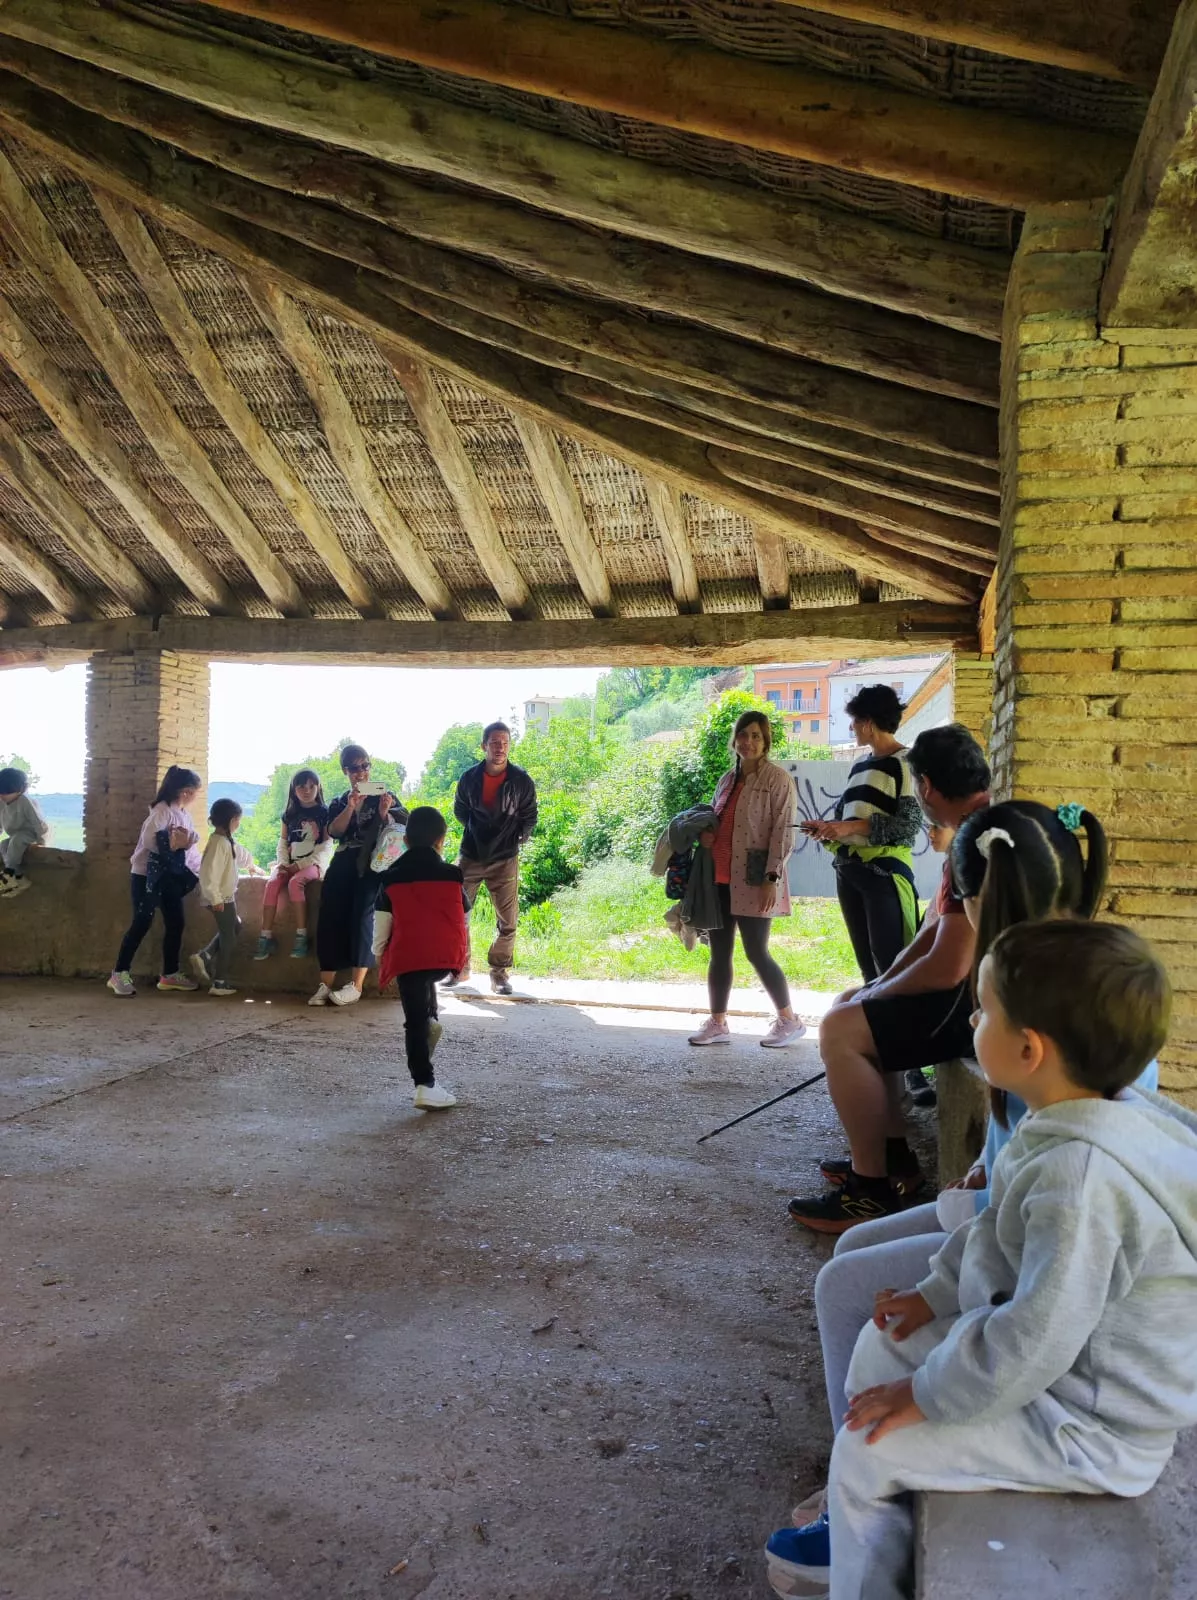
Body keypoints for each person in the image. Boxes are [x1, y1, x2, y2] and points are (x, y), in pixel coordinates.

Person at [766, 919, 1196, 1600]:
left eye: (983, 1008)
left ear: (1027, 1049)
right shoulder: (1069, 1115)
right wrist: (933, 1295)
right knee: (885, 1340)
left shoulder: (1081, 1178)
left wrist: (926, 1395)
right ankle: (872, 1530)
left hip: (1092, 1428)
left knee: (869, 1445)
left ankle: (861, 1577)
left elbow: (1036, 1335)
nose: (970, 1018)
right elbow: (993, 1227)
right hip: (1062, 1379)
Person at [799, 800, 1156, 1516]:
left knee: (846, 1289)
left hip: (1023, 1238)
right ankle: (860, 1454)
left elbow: (1040, 1300)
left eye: (979, 1015)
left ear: (974, 896)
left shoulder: (1036, 1018)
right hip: (1004, 1208)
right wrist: (985, 1170)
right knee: (861, 1263)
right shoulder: (1070, 982)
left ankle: (867, 1474)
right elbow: (1020, 1153)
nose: (971, 1022)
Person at [787, 724, 989, 1231]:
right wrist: (879, 986)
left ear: (926, 787)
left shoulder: (976, 840)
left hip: (979, 1003)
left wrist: (882, 993)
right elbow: (932, 931)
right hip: (971, 993)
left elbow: (949, 966)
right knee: (852, 1001)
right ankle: (894, 1158)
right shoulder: (978, 826)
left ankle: (868, 1189)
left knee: (841, 1028)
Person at [687, 709, 806, 1049]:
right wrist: (706, 837)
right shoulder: (727, 779)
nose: (748, 741)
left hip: (756, 878)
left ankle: (789, 1020)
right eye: (743, 735)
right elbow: (715, 820)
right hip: (720, 878)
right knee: (719, 953)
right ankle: (718, 1023)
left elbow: (784, 831)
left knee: (756, 952)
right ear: (735, 740)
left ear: (766, 741)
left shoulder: (777, 779)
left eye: (756, 735)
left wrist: (772, 876)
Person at [802, 685, 921, 991]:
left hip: (883, 875)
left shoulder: (905, 763)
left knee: (890, 964)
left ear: (868, 722)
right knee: (868, 967)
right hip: (850, 872)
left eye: (854, 720)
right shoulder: (859, 765)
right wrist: (827, 827)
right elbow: (844, 820)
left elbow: (907, 827)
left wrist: (851, 828)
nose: (851, 727)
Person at [376, 806, 469, 1110]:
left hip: (408, 958)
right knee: (427, 976)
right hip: (445, 958)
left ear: (405, 841)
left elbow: (380, 929)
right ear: (441, 841)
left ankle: (424, 1084)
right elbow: (463, 915)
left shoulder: (391, 878)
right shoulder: (453, 875)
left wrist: (382, 955)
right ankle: (433, 1019)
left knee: (413, 1021)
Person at [310, 745, 406, 1009]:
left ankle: (356, 984)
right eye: (355, 767)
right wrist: (351, 807)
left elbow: (400, 829)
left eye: (365, 766)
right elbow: (334, 831)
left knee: (362, 915)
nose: (361, 772)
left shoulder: (385, 795)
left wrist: (384, 812)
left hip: (373, 862)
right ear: (346, 771)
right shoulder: (341, 800)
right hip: (344, 859)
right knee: (329, 917)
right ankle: (325, 983)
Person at [451, 722, 537, 996]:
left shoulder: (521, 780)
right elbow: (461, 812)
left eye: (505, 743)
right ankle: (459, 968)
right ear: (484, 746)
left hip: (505, 858)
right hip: (471, 855)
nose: (500, 748)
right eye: (495, 742)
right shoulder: (469, 778)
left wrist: (514, 839)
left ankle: (499, 974)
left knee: (508, 921)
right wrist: (480, 832)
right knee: (457, 914)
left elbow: (529, 816)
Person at [107, 765, 204, 998]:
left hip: (168, 876)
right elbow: (150, 842)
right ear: (186, 792)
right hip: (146, 876)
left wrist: (199, 864)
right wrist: (175, 843)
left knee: (176, 922)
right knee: (142, 921)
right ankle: (119, 973)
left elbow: (189, 849)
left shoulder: (182, 814)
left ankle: (170, 973)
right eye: (194, 792)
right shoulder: (161, 812)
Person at [192, 798, 264, 996]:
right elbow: (208, 875)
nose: (239, 824)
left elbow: (238, 855)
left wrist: (252, 866)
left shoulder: (224, 842)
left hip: (224, 897)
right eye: (238, 820)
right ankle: (219, 982)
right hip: (220, 899)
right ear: (231, 820)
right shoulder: (219, 844)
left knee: (235, 925)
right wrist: (215, 899)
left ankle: (205, 955)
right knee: (228, 937)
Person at [256, 768, 330, 960]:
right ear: (293, 789)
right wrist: (282, 863)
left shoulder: (324, 813)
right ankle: (265, 936)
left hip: (313, 864)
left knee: (295, 883)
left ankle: (301, 936)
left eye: (311, 786)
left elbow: (325, 846)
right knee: (272, 883)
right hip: (290, 862)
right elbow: (282, 842)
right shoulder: (289, 814)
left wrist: (300, 865)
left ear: (318, 787)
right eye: (301, 786)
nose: (307, 790)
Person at [0, 765, 48, 898]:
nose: (2, 795)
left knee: (17, 840)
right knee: (4, 845)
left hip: (30, 832)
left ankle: (9, 873)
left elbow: (38, 822)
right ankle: (19, 878)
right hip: (15, 835)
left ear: (20, 790)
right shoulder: (1, 802)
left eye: (6, 792)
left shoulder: (25, 801)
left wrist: (41, 841)